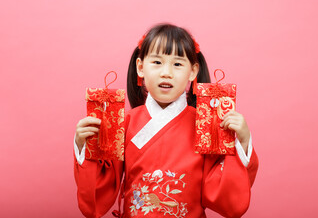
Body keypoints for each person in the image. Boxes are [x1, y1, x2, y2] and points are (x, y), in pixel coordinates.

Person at [74, 23, 259, 218]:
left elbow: (228, 201)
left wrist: (242, 143)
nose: (166, 72)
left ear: (193, 71)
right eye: (157, 62)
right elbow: (96, 196)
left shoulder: (206, 127)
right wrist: (85, 146)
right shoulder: (123, 124)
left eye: (177, 64)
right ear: (140, 67)